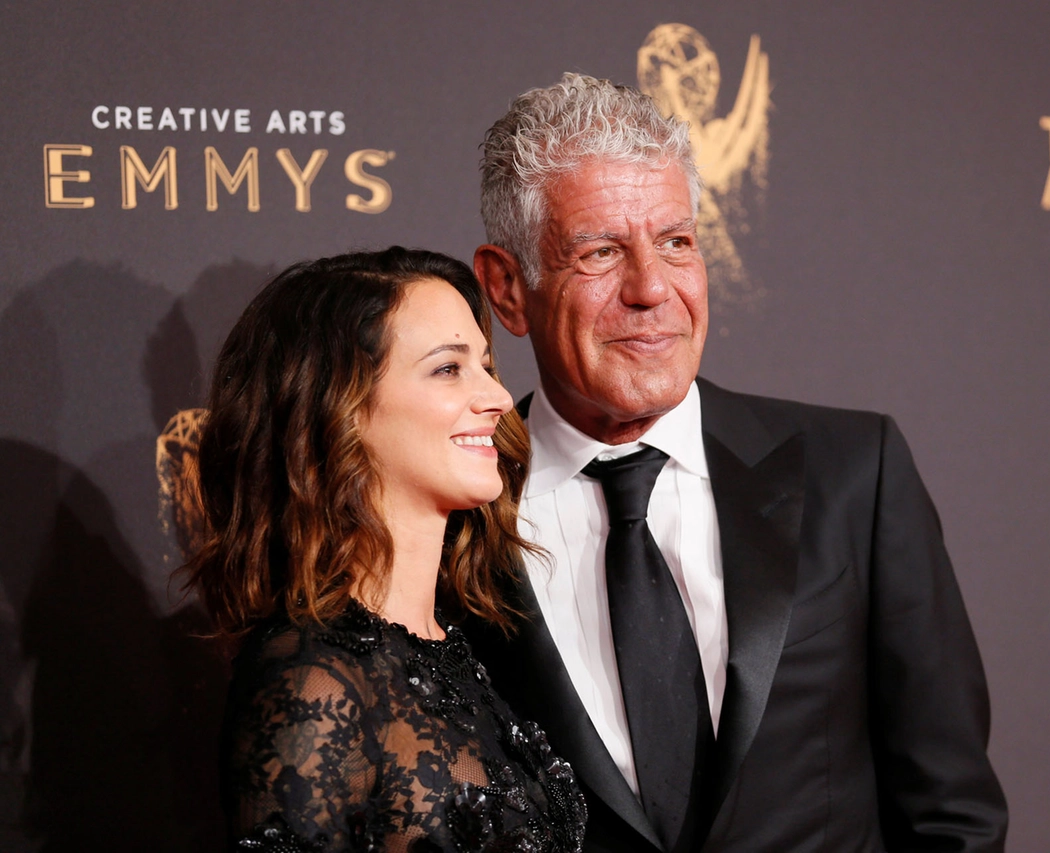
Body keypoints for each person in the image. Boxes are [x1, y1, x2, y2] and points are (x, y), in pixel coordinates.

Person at [466, 74, 1008, 852]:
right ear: (508, 289)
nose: (652, 288)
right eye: (600, 252)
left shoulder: (855, 473)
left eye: (677, 242)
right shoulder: (459, 512)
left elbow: (953, 812)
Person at [183, 247, 587, 852]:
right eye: (448, 369)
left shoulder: (457, 647)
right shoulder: (313, 680)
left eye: (485, 364)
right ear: (339, 410)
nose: (500, 398)